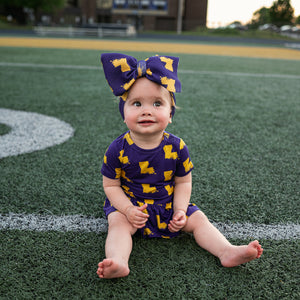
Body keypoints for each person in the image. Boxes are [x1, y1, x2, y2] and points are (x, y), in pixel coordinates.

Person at [97, 53, 263, 279]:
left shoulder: (177, 146)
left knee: (199, 220)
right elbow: (111, 186)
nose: (147, 110)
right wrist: (127, 210)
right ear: (123, 114)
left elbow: (183, 181)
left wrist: (180, 211)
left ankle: (227, 251)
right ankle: (118, 261)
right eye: (136, 103)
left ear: (170, 113)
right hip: (132, 206)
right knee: (117, 224)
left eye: (157, 103)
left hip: (168, 203)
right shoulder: (117, 149)